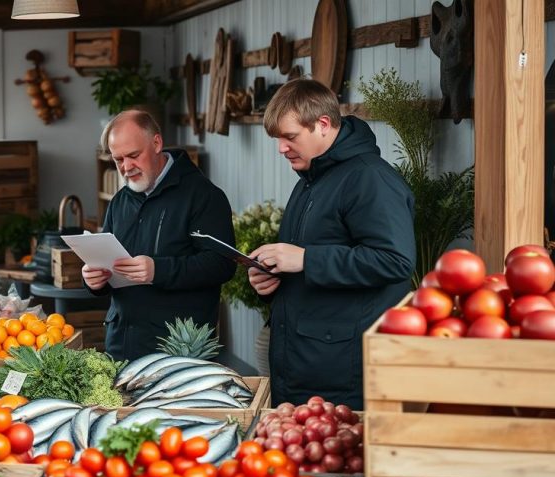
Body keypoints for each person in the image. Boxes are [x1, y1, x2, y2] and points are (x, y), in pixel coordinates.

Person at [248, 79, 415, 410]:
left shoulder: (370, 179)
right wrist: (272, 278)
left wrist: (306, 260)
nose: (281, 148)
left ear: (323, 125)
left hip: (341, 373)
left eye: (290, 137)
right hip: (305, 364)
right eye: (277, 139)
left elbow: (395, 261)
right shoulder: (311, 179)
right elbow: (314, 257)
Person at [82, 110, 236, 361]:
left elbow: (222, 264)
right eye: (118, 159)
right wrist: (93, 279)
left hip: (177, 353)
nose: (126, 167)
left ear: (156, 143)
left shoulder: (203, 195)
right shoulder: (120, 201)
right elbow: (106, 260)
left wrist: (158, 270)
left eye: (133, 156)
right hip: (121, 345)